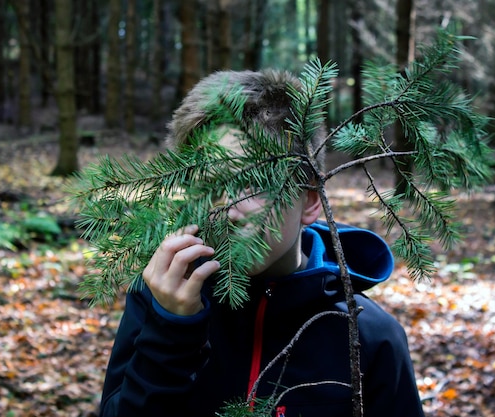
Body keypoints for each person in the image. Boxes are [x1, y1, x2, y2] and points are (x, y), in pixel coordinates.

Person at [98, 69, 426, 417]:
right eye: (207, 187)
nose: (226, 210)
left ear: (310, 200)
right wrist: (170, 334)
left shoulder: (370, 336)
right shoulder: (160, 299)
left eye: (252, 183)